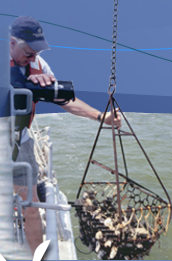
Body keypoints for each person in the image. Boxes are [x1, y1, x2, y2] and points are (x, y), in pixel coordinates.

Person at [10, 16, 121, 255]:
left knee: (31, 206)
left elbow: (67, 101)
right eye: (28, 52)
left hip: (21, 143)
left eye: (37, 52)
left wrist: (102, 117)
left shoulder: (40, 66)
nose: (33, 58)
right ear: (11, 43)